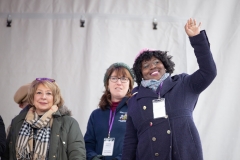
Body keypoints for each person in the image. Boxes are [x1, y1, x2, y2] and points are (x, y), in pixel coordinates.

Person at [122, 18, 217, 160]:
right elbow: (130, 141)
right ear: (140, 73)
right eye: (146, 65)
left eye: (157, 62)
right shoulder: (133, 99)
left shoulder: (183, 84)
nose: (153, 66)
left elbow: (208, 72)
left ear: (165, 65)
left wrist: (196, 38)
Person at [3, 78, 86, 160]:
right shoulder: (18, 121)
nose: (43, 97)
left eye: (49, 93)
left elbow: (77, 156)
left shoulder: (69, 123)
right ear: (32, 97)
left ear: (55, 98)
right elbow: (6, 155)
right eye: (39, 93)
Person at [84, 63, 134, 160]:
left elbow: (138, 142)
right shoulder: (96, 115)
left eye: (124, 79)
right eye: (114, 78)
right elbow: (88, 143)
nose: (118, 82)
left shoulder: (135, 111)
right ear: (107, 84)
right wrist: (93, 157)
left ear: (130, 85)